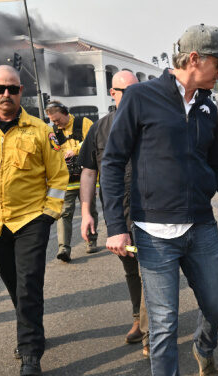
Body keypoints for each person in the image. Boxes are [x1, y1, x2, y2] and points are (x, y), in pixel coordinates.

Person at [101, 24, 218, 376]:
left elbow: (216, 164)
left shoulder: (208, 107)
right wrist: (116, 225)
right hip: (153, 235)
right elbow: (113, 162)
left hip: (200, 226)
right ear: (193, 60)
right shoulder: (141, 98)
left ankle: (204, 349)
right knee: (165, 326)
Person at [0, 65, 68, 376]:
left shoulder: (39, 131)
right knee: (14, 283)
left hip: (31, 219)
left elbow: (58, 175)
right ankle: (30, 329)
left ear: (22, 92)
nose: (7, 94)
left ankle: (31, 351)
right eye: (1, 88)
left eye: (14, 89)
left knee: (29, 282)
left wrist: (49, 213)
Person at [78, 70, 149, 356]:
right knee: (131, 267)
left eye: (135, 91)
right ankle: (138, 318)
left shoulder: (150, 124)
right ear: (112, 93)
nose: (130, 98)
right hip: (119, 215)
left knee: (151, 271)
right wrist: (86, 212)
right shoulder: (99, 128)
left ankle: (149, 332)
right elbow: (88, 171)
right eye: (123, 92)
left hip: (150, 212)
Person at [45, 100, 97, 262]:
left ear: (66, 113)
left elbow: (93, 142)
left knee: (89, 211)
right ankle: (64, 249)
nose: (56, 123)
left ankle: (91, 241)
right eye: (53, 121)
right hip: (66, 180)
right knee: (64, 214)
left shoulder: (84, 123)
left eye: (57, 119)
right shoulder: (52, 131)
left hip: (85, 177)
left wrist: (73, 151)